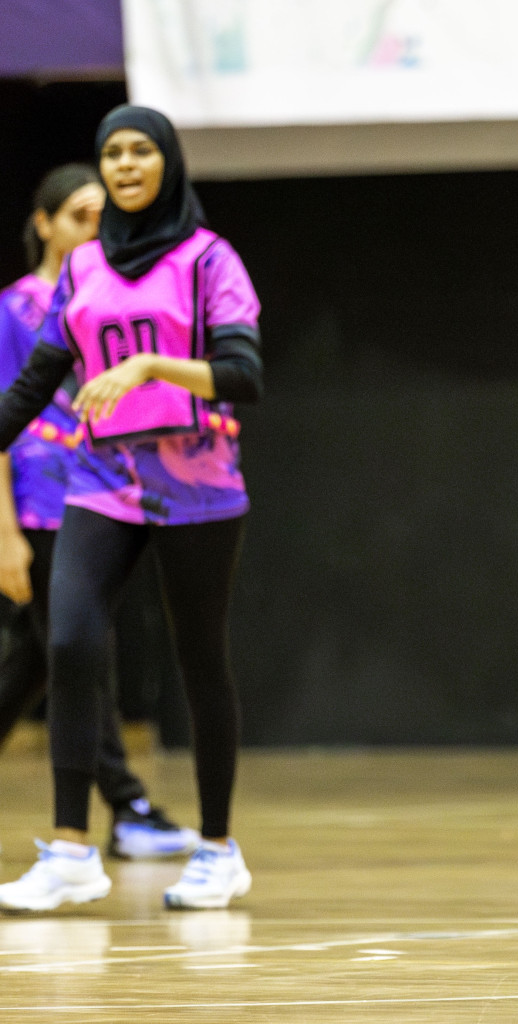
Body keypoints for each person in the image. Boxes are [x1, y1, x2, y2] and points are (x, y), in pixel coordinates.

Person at [0, 105, 262, 914]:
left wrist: (150, 364)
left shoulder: (208, 259)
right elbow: (36, 382)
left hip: (197, 484)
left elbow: (243, 375)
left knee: (199, 661)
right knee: (72, 640)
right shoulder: (82, 270)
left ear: (168, 162)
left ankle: (218, 849)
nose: (123, 164)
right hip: (102, 480)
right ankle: (73, 849)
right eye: (111, 151)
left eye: (140, 150)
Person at [0, 163, 200, 863]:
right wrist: (4, 535)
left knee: (42, 657)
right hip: (40, 498)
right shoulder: (16, 308)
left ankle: (126, 807)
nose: (93, 226)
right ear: (45, 223)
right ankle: (128, 805)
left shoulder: (112, 294)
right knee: (79, 651)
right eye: (79, 215)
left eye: (100, 215)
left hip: (109, 487)